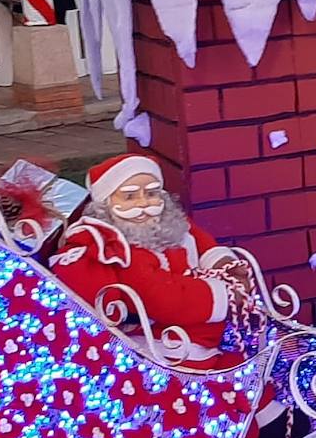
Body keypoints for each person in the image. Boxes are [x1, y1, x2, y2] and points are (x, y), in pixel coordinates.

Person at [49, 153, 256, 368]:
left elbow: (202, 242)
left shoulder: (169, 221)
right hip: (166, 339)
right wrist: (227, 294)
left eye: (151, 193)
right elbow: (162, 298)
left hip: (203, 324)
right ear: (106, 202)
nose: (143, 204)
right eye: (130, 197)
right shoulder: (122, 249)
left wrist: (226, 266)